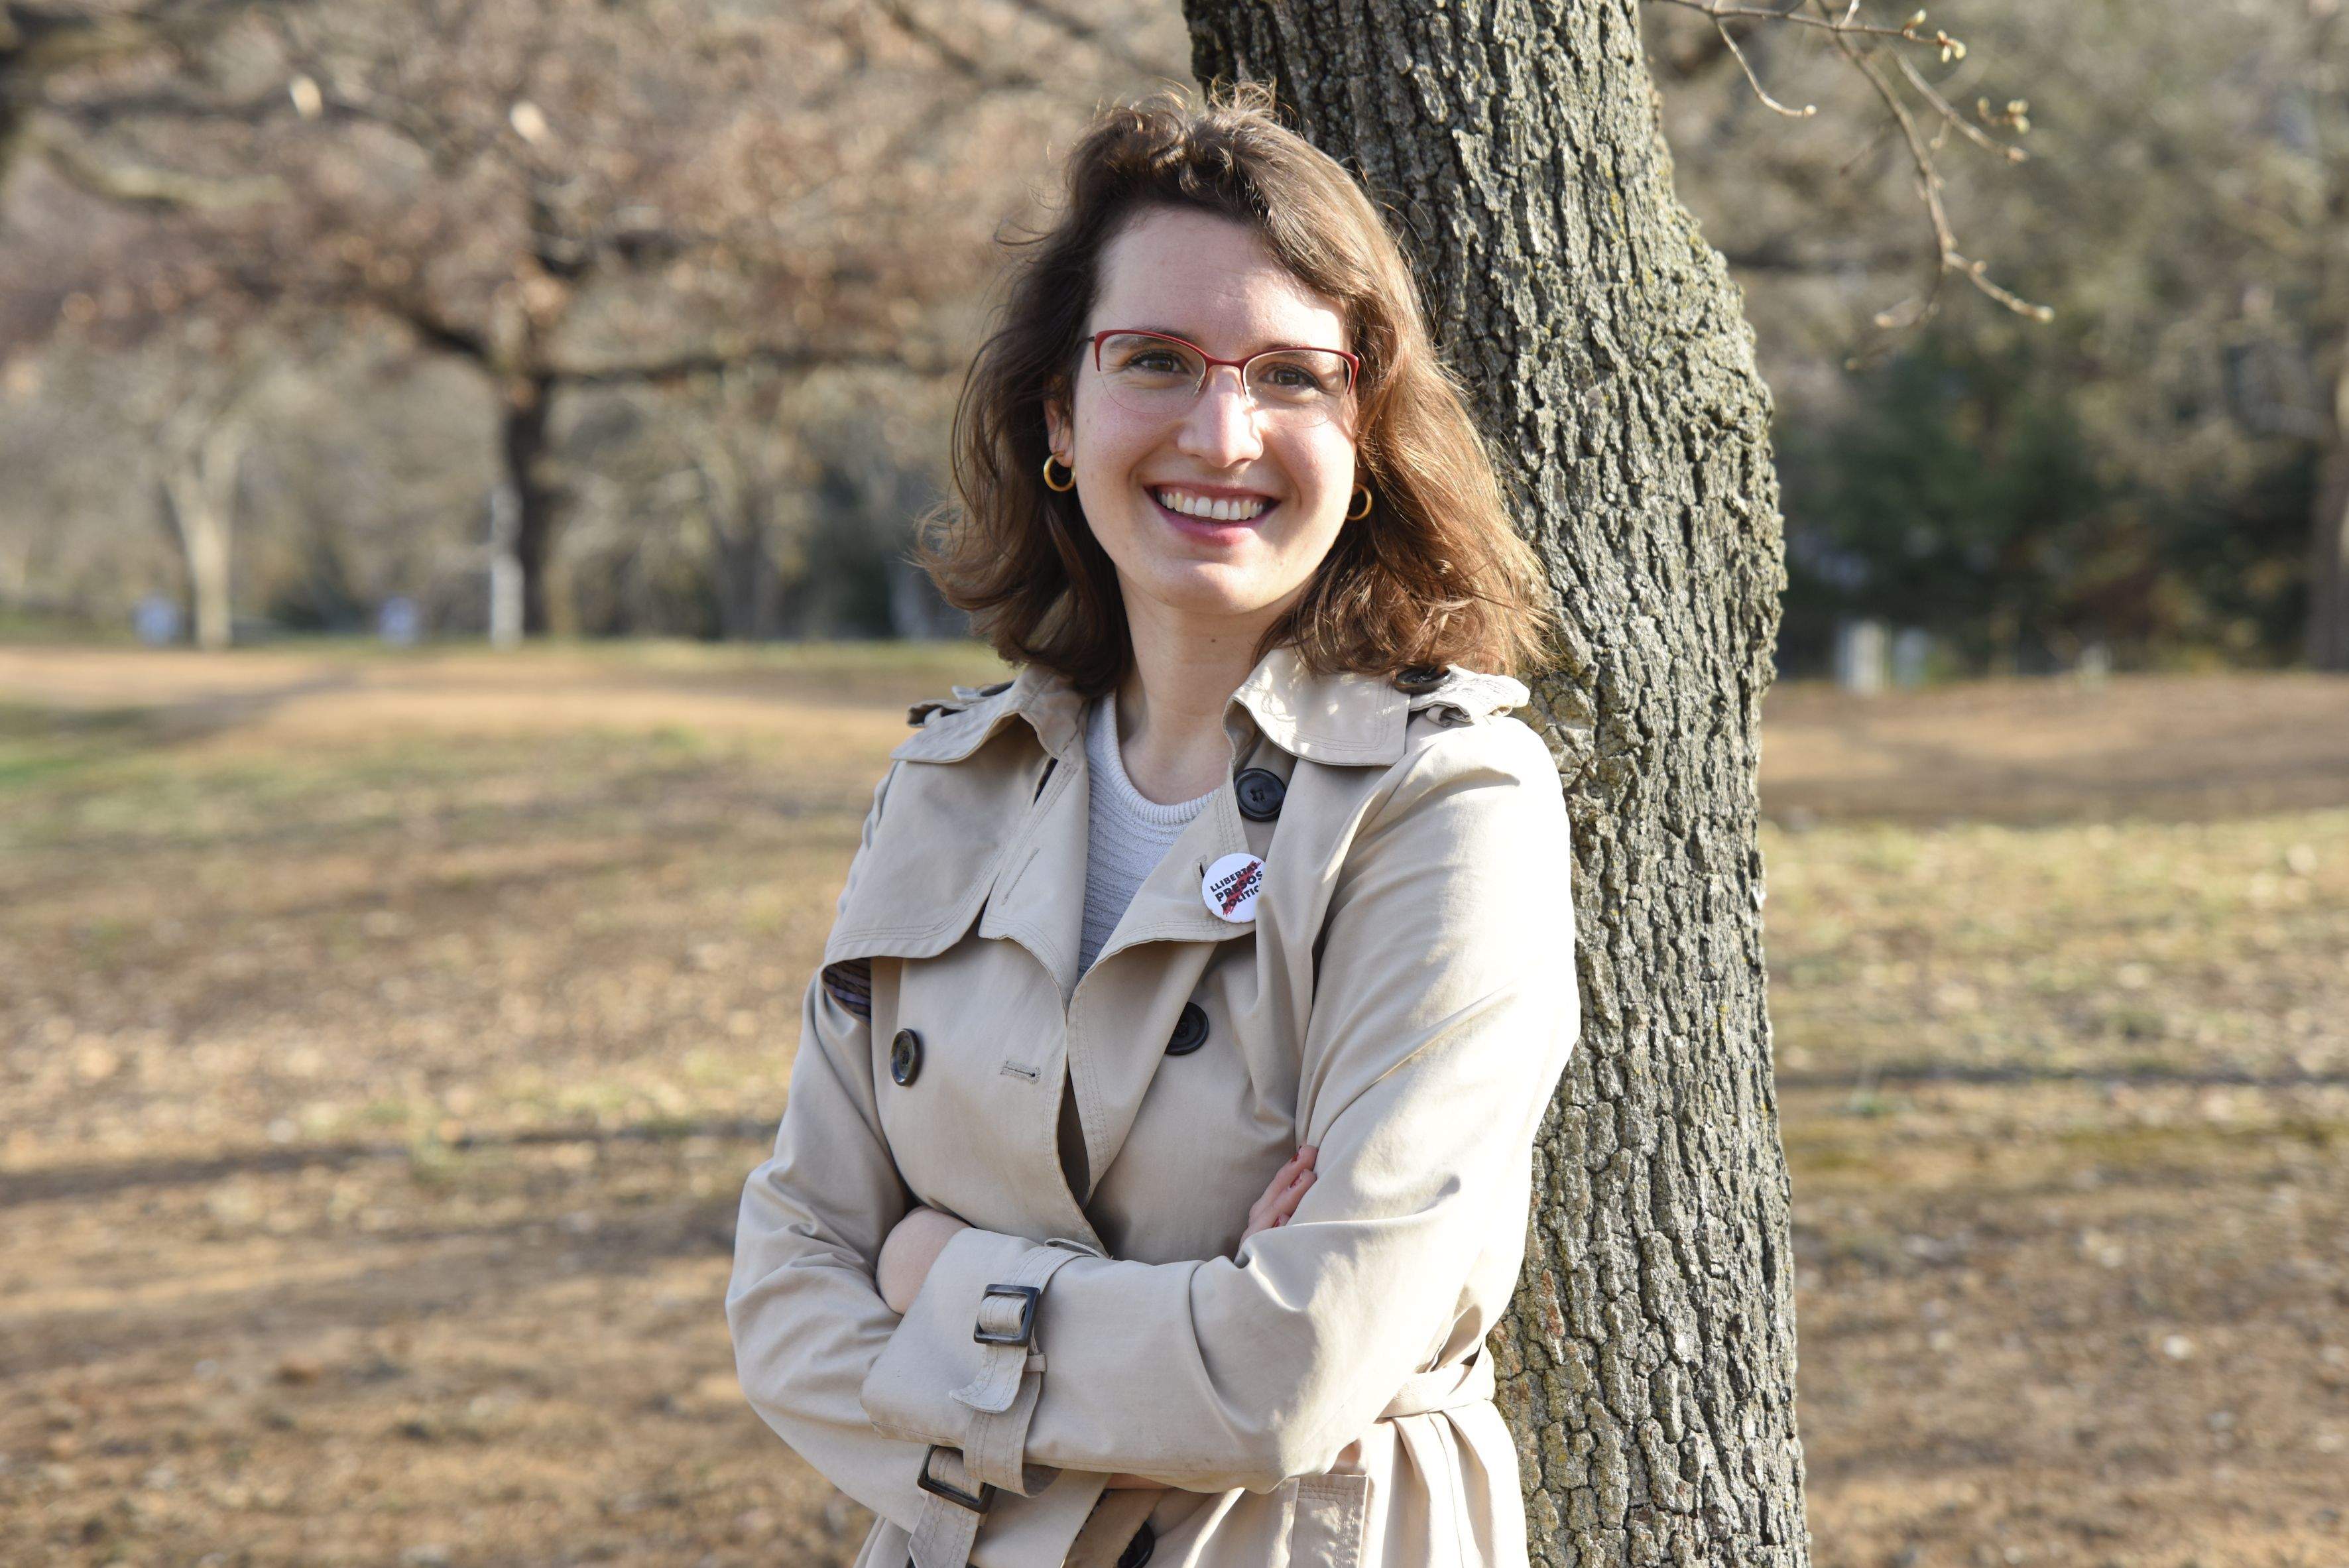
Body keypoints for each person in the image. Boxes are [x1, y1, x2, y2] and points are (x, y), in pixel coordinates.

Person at [727, 86, 1579, 1568]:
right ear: (1061, 414)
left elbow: (1286, 1373)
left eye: (1291, 375)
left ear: (1365, 431)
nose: (1222, 430)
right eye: (1157, 361)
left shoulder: (1446, 805)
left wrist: (934, 1271)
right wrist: (1162, 1331)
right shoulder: (951, 780)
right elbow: (787, 1297)